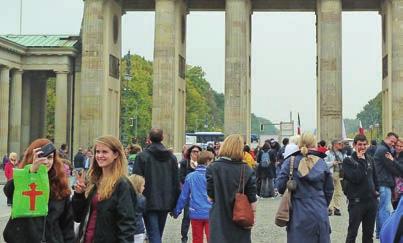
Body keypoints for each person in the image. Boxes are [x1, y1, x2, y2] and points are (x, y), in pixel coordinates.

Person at [3, 139, 74, 242]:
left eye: (50, 158)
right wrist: (31, 172)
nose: (46, 161)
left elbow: (67, 225)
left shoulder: (60, 185)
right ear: (33, 157)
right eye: (42, 157)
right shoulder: (23, 178)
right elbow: (8, 191)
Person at [72, 135, 137, 243]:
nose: (99, 155)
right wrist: (79, 195)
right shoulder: (93, 181)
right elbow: (78, 217)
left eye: (104, 152)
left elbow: (127, 226)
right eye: (97, 152)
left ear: (116, 154)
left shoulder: (122, 185)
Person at [276, 132, 334, 243]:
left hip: (298, 212)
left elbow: (280, 187)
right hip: (319, 210)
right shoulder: (321, 163)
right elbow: (329, 190)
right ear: (314, 144)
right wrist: (321, 202)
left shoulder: (290, 162)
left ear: (299, 144)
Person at [206, 134, 257, 243]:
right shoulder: (247, 169)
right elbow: (252, 198)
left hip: (219, 218)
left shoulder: (213, 167)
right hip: (240, 218)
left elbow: (210, 198)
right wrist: (253, 216)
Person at [133, 128, 180, 243]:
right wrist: (175, 204)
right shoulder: (172, 158)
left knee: (154, 234)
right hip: (166, 200)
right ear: (162, 138)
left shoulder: (141, 157)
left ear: (149, 139)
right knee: (157, 232)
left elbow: (136, 181)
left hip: (147, 200)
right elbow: (176, 182)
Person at [342, 134, 379, 243]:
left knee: (368, 235)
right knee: (352, 234)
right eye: (359, 144)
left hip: (371, 202)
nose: (362, 147)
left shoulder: (370, 159)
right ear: (354, 145)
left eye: (364, 144)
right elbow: (356, 178)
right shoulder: (348, 161)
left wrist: (376, 191)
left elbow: (375, 177)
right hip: (357, 202)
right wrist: (360, 161)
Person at [173, 151, 214, 243]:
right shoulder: (213, 176)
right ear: (207, 161)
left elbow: (184, 196)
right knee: (211, 238)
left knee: (197, 239)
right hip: (211, 212)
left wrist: (177, 210)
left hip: (195, 212)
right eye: (212, 161)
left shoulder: (190, 177)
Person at [374, 132, 399, 236]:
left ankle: (379, 232)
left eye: (394, 142)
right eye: (391, 141)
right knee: (386, 209)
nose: (392, 143)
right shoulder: (384, 150)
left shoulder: (381, 148)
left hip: (381, 182)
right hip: (384, 182)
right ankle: (385, 233)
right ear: (386, 138)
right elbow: (392, 168)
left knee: (381, 209)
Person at [179, 144, 202, 243]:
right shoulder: (185, 163)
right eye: (194, 151)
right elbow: (181, 177)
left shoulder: (202, 164)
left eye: (198, 152)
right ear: (190, 153)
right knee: (187, 215)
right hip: (188, 193)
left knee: (201, 216)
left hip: (200, 194)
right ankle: (184, 237)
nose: (196, 153)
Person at [325, 139, 346, 216]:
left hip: (339, 174)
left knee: (338, 191)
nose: (341, 145)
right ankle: (330, 208)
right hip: (331, 173)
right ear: (335, 145)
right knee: (331, 191)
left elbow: (346, 161)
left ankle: (337, 208)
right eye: (339, 144)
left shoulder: (342, 153)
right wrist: (332, 163)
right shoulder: (328, 153)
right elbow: (324, 163)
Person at [128, 174, 147, 243]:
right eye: (143, 186)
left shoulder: (124, 198)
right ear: (138, 186)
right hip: (138, 229)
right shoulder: (142, 199)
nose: (144, 188)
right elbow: (145, 212)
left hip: (127, 230)